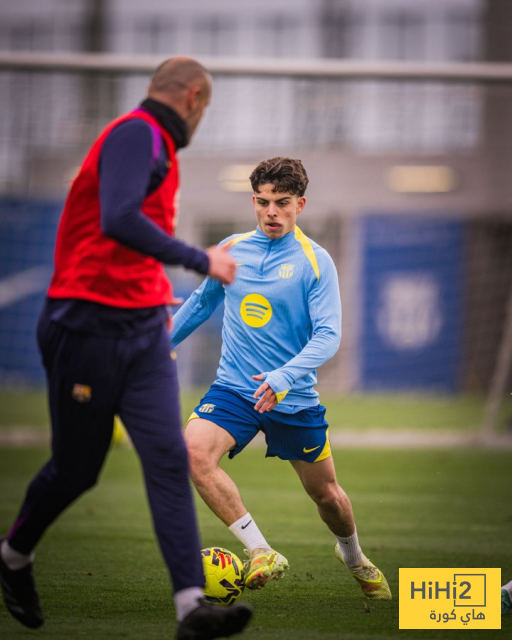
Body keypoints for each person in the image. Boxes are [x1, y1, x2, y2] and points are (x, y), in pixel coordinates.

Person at [0, 56, 252, 640]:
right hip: (86, 328)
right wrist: (200, 259)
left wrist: (151, 294)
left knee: (168, 457)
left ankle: (191, 607)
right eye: (205, 109)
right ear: (193, 98)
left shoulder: (160, 148)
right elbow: (118, 219)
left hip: (142, 333)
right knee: (77, 470)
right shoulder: (138, 133)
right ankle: (12, 556)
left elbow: (129, 242)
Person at [171, 156, 391, 600]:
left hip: (292, 398)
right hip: (235, 388)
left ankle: (353, 556)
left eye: (282, 202)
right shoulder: (232, 248)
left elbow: (329, 336)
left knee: (327, 496)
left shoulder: (316, 261)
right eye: (262, 201)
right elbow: (201, 302)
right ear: (254, 201)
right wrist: (161, 342)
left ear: (299, 205)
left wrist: (283, 377)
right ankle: (261, 550)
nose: (271, 212)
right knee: (193, 453)